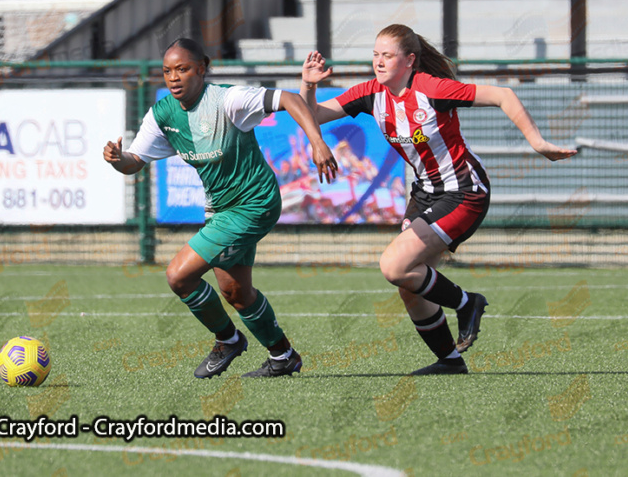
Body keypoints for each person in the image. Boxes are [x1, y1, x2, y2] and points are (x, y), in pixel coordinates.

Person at [300, 24, 577, 375]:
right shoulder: (371, 94)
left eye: (388, 55)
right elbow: (313, 115)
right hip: (425, 193)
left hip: (464, 192)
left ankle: (467, 303)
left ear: (410, 60)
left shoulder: (432, 89)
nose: (379, 62)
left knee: (393, 266)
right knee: (408, 284)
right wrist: (309, 84)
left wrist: (538, 143)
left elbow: (504, 95)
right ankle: (450, 360)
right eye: (375, 54)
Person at [104, 38, 338, 379]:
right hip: (220, 209)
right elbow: (134, 162)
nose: (173, 77)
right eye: (167, 71)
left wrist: (317, 142)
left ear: (202, 68)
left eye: (182, 69)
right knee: (235, 292)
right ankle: (283, 355)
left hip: (255, 202)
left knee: (178, 275)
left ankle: (227, 340)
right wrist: (116, 159)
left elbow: (287, 98)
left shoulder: (228, 99)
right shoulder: (162, 114)